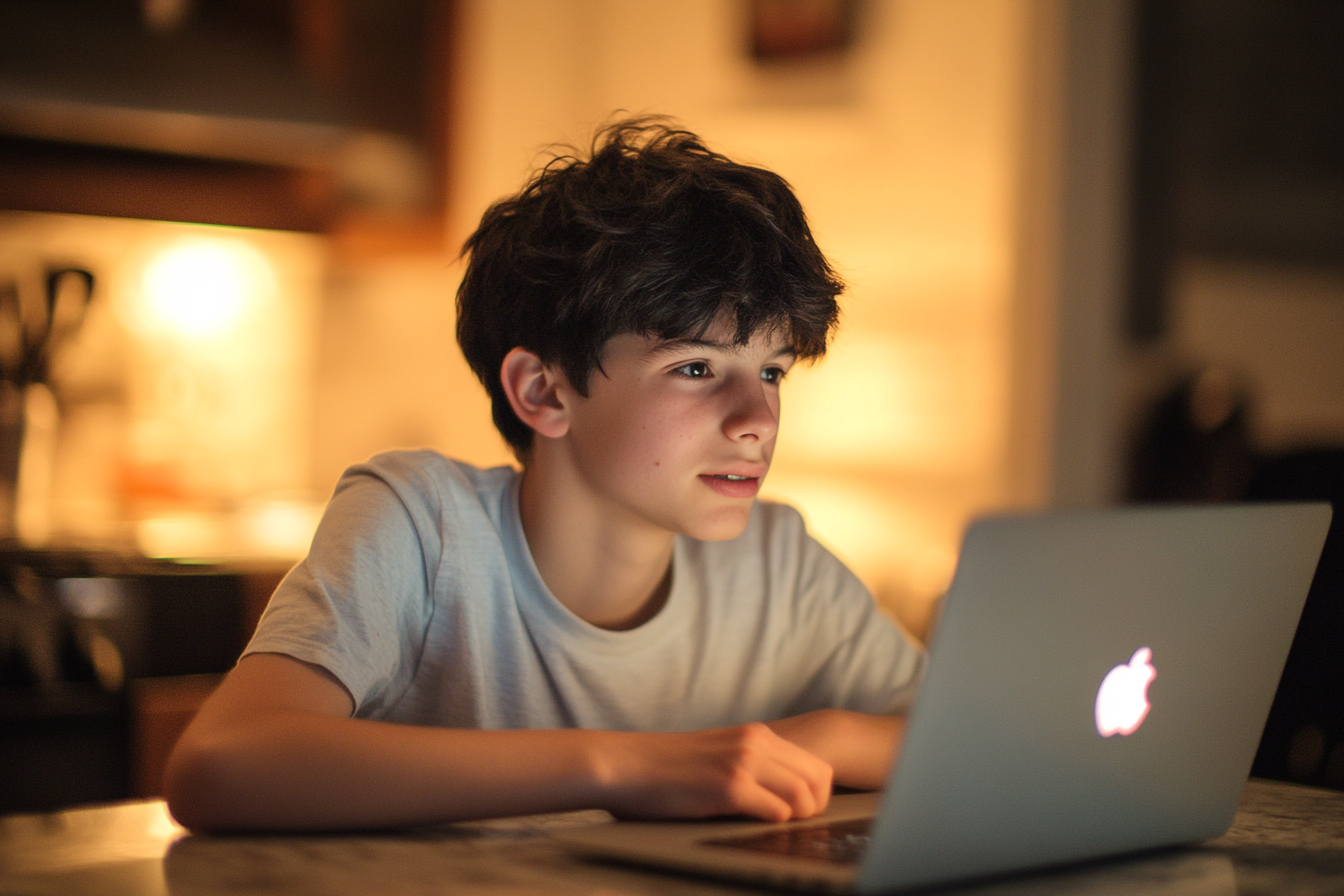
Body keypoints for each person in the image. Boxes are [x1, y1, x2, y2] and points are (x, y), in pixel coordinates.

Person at [164, 117, 926, 832]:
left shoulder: (778, 562)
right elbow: (220, 765)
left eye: (771, 371)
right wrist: (624, 765)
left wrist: (823, 736)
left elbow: (989, 742)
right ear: (544, 391)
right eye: (696, 367)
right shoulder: (421, 525)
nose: (756, 417)